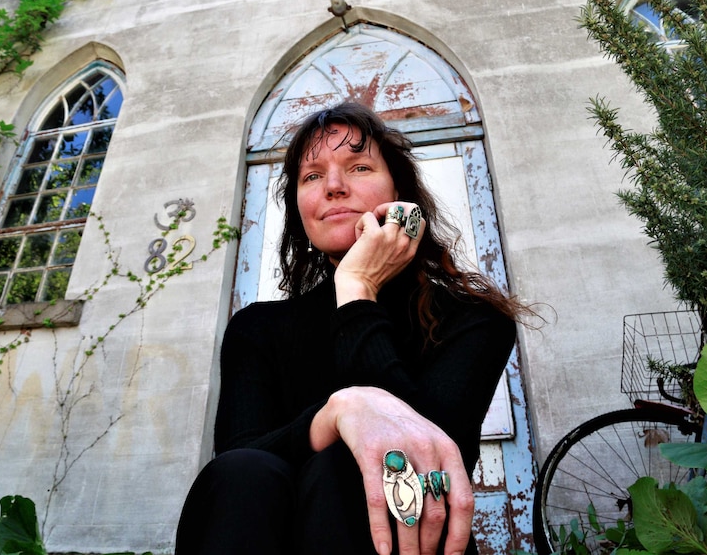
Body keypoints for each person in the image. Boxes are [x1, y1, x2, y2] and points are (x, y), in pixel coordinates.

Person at [175, 102, 530, 555]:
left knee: (345, 469)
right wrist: (335, 415)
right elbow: (237, 459)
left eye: (358, 167)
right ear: (300, 210)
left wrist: (358, 287)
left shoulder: (473, 318)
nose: (334, 187)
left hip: (407, 542)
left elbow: (425, 452)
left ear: (402, 195)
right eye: (312, 176)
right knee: (240, 472)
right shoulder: (257, 328)